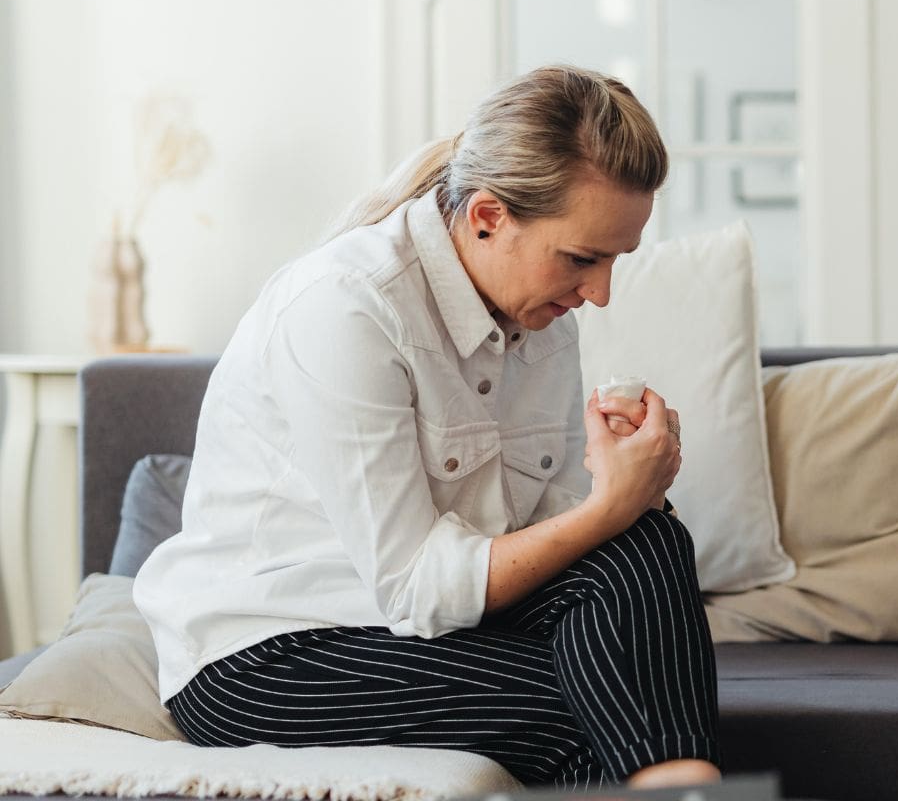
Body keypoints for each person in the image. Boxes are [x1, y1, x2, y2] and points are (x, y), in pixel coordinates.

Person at [133, 66, 721, 790]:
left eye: (614, 262)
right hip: (268, 648)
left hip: (428, 627)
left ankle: (683, 785)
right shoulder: (346, 308)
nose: (598, 294)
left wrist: (634, 482)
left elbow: (563, 533)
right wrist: (609, 506)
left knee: (649, 539)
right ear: (485, 218)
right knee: (591, 706)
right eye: (582, 258)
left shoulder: (540, 316)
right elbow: (415, 586)